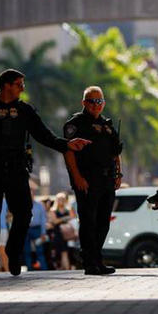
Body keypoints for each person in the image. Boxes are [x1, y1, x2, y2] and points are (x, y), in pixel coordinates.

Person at [0, 68, 85, 279]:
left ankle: (13, 252)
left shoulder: (25, 111)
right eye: (19, 84)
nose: (22, 88)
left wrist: (67, 145)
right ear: (6, 85)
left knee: (24, 213)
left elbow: (44, 135)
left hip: (17, 169)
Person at [63, 85, 123, 276]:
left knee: (103, 221)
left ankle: (97, 259)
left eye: (99, 101)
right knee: (88, 221)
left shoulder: (107, 125)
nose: (96, 105)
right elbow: (69, 152)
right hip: (87, 180)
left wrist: (118, 174)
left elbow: (115, 153)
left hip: (107, 179)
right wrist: (77, 177)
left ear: (103, 103)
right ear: (84, 102)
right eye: (92, 101)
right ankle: (89, 262)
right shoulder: (76, 124)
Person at [47, 192, 75, 270]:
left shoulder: (68, 209)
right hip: (58, 233)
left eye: (63, 199)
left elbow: (73, 217)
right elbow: (55, 221)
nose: (61, 201)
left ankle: (66, 268)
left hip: (68, 234)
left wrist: (61, 219)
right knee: (63, 252)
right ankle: (65, 268)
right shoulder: (53, 210)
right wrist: (66, 218)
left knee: (67, 252)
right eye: (59, 199)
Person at [23, 186, 48, 271]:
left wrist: (43, 232)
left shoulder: (39, 205)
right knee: (27, 251)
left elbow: (43, 219)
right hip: (26, 229)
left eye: (32, 194)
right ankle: (29, 270)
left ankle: (44, 269)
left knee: (40, 250)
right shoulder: (22, 205)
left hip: (37, 229)